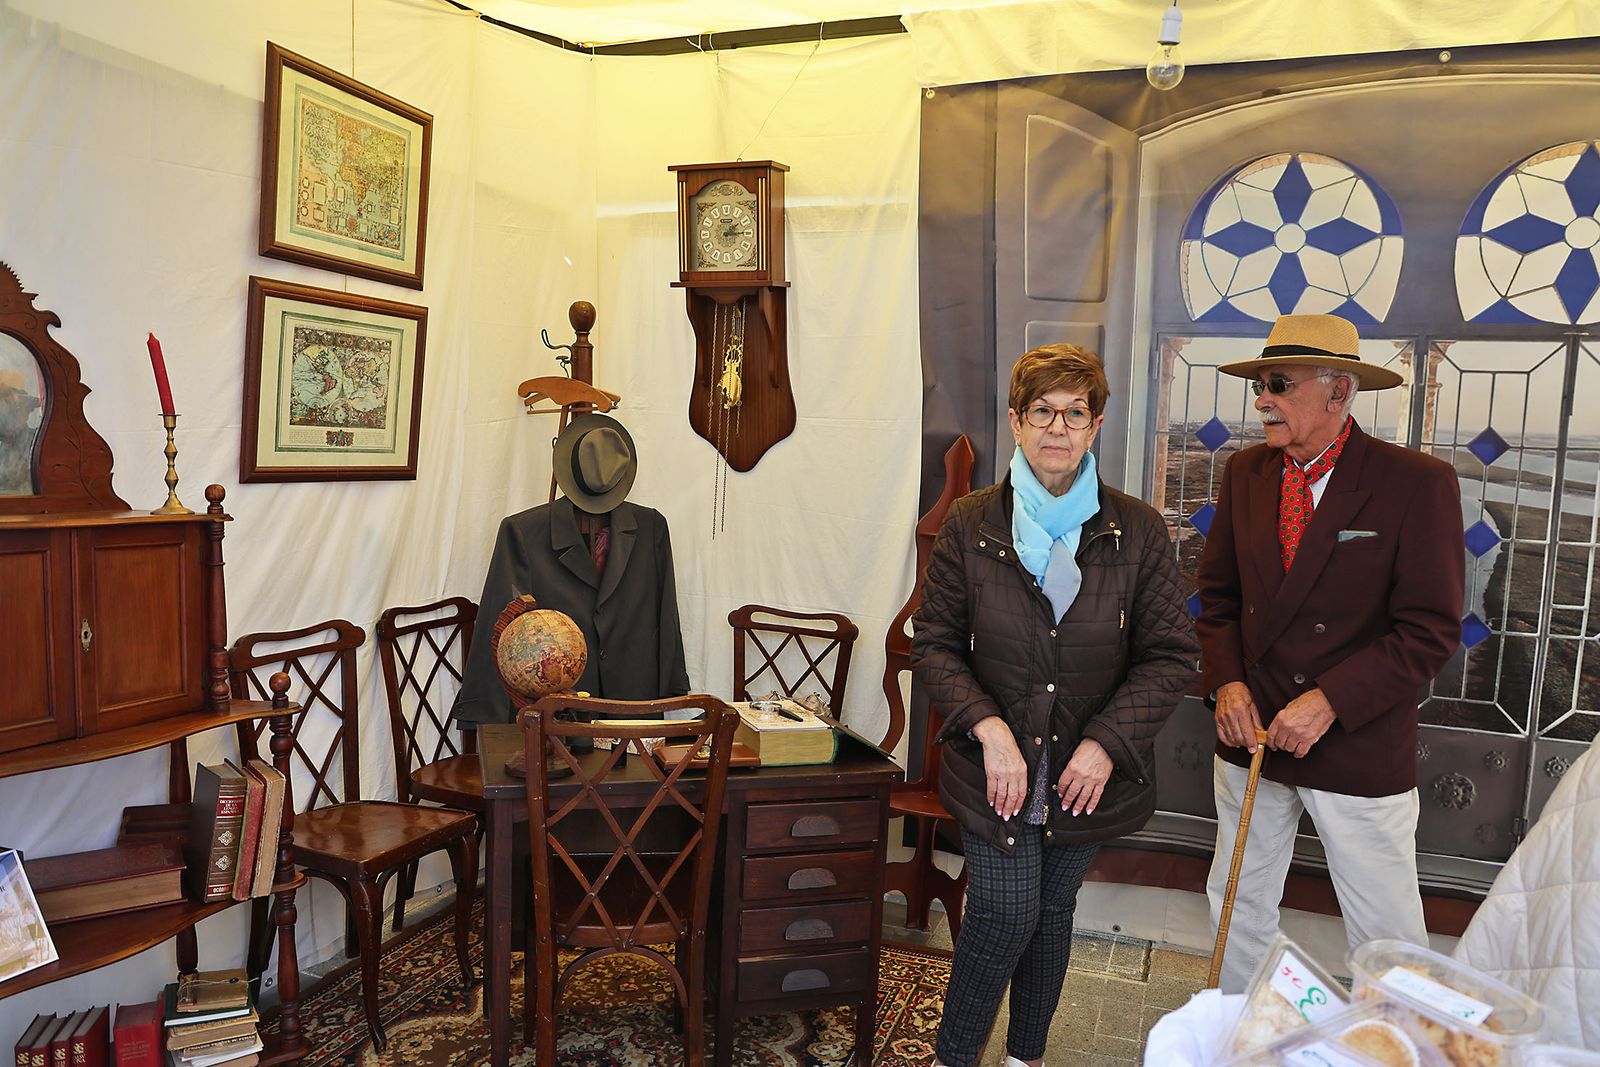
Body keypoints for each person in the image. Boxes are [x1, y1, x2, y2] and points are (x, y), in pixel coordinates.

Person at [911, 343, 1198, 1067]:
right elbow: (934, 645)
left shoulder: (1137, 530)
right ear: (1016, 420)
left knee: (1051, 913)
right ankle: (954, 1055)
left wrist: (1106, 743)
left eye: (1075, 412)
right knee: (1005, 911)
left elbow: (1170, 657)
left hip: (1085, 771)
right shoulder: (971, 523)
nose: (1058, 428)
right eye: (1042, 411)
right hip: (996, 768)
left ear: (1096, 425)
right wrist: (989, 729)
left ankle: (1025, 1057)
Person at [1196, 313, 1465, 992]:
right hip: (1251, 734)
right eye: (1262, 382)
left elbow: (1430, 629)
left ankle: (1400, 1046)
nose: (1263, 398)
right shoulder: (1246, 472)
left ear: (1339, 392)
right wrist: (1227, 684)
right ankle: (1242, 1034)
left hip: (1356, 741)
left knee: (1388, 936)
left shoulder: (1416, 483)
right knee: (1235, 908)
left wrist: (1330, 701)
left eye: (1280, 384)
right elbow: (1218, 597)